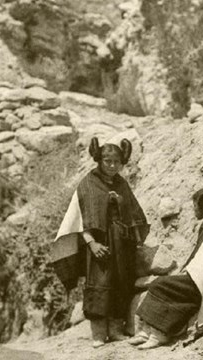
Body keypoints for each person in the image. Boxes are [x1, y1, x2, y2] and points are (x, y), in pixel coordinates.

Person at [50, 137, 150, 348]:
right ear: (98, 160)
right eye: (107, 161)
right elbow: (81, 219)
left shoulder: (122, 184)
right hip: (98, 247)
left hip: (121, 245)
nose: (112, 166)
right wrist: (92, 244)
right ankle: (98, 334)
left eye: (116, 162)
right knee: (99, 285)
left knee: (121, 283)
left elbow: (133, 213)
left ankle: (114, 331)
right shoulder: (89, 183)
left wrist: (119, 203)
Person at [129, 186, 203, 350]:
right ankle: (146, 331)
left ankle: (159, 334)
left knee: (160, 284)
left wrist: (188, 273)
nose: (194, 211)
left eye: (195, 208)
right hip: (200, 276)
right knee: (164, 283)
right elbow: (201, 258)